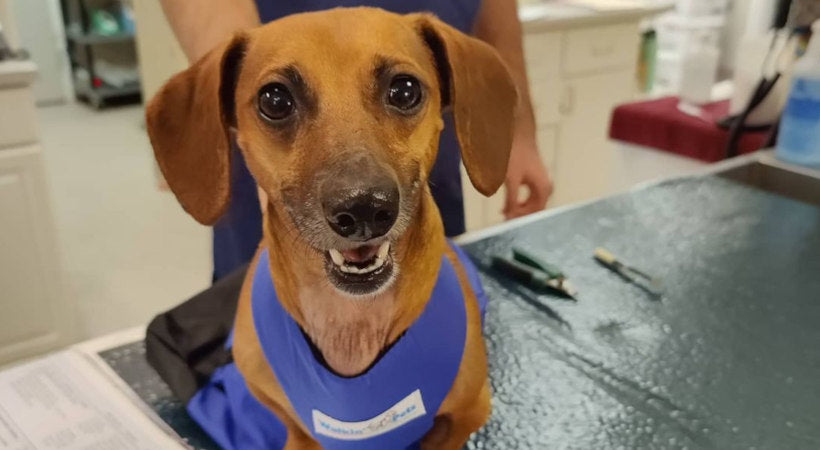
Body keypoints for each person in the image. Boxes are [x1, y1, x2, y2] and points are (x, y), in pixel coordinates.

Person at [158, 0, 553, 280]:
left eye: (402, 91)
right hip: (267, 188)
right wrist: (245, 75)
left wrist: (519, 131)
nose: (359, 195)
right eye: (277, 101)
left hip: (428, 160)